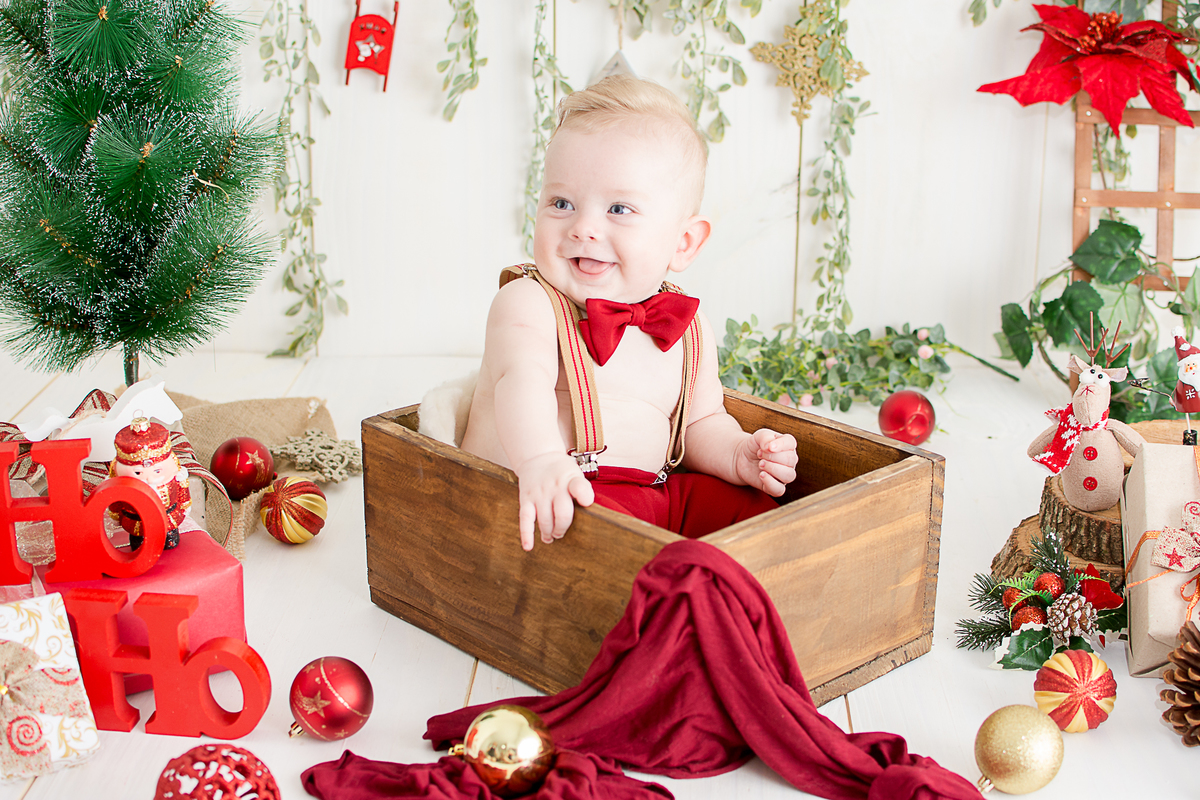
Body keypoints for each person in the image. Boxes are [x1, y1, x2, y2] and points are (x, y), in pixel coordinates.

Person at [461, 74, 798, 551]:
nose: (584, 227)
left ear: (683, 243)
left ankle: (742, 581)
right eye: (562, 203)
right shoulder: (530, 302)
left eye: (619, 208)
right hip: (559, 495)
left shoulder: (687, 327)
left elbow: (701, 423)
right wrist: (539, 459)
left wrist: (740, 455)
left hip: (653, 496)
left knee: (754, 514)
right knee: (617, 537)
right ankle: (689, 593)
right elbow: (522, 383)